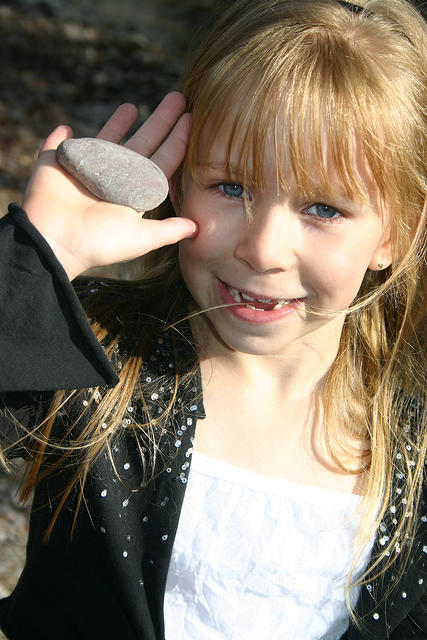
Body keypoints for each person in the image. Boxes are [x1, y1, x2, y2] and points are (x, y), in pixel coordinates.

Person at [0, 0, 425, 638]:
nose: (262, 248)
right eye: (232, 187)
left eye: (323, 208)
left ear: (397, 233)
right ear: (179, 178)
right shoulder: (98, 365)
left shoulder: (413, 457)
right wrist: (37, 260)